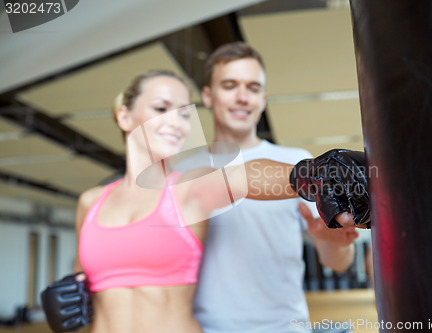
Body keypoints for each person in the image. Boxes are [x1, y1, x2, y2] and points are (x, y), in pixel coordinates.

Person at [69, 70, 360, 333]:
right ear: (124, 116)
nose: (175, 122)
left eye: (184, 114)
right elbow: (82, 281)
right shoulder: (91, 202)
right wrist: (68, 297)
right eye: (161, 108)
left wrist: (314, 175)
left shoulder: (188, 190)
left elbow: (246, 176)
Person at [193, 42, 360, 333]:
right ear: (208, 95)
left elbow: (338, 262)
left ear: (264, 99)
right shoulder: (182, 171)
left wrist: (333, 243)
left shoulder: (296, 161)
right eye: (230, 85)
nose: (243, 97)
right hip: (206, 328)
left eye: (253, 88)